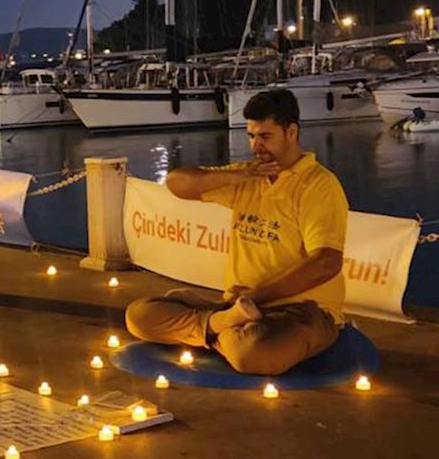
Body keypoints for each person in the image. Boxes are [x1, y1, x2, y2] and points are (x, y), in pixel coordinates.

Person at [125, 88, 347, 375]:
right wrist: (235, 175)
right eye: (251, 136)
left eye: (265, 136)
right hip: (238, 306)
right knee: (138, 316)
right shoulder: (248, 175)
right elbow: (176, 183)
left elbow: (326, 262)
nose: (256, 146)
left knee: (255, 354)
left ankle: (213, 327)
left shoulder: (318, 185)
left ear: (291, 132)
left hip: (302, 310)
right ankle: (223, 325)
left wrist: (255, 298)